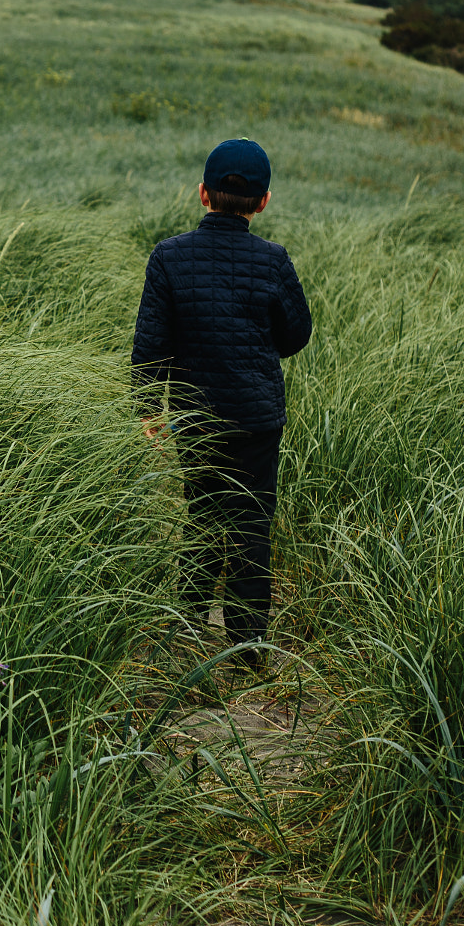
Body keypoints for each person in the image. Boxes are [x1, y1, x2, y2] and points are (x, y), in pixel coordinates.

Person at [131, 138, 312, 671]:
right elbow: (297, 333)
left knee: (204, 518)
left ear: (203, 194)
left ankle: (186, 630)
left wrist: (149, 407)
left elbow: (151, 342)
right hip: (257, 419)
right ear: (264, 202)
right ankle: (248, 651)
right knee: (252, 526)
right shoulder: (274, 260)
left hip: (194, 416)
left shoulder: (167, 257)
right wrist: (257, 349)